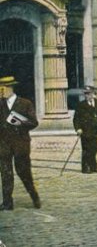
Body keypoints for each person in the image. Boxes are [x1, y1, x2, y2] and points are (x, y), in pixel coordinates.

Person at [0, 75, 41, 210]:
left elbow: (34, 123)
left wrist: (18, 121)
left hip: (20, 143)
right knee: (6, 173)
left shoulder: (25, 103)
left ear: (10, 88)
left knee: (24, 172)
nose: (1, 91)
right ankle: (7, 203)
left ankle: (34, 197)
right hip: (4, 144)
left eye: (3, 88)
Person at [73, 86, 97, 174]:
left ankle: (93, 167)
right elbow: (76, 118)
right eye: (86, 94)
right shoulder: (81, 105)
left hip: (95, 131)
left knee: (94, 149)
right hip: (85, 131)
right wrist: (78, 128)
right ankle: (85, 168)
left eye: (89, 93)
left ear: (93, 94)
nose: (87, 96)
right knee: (86, 150)